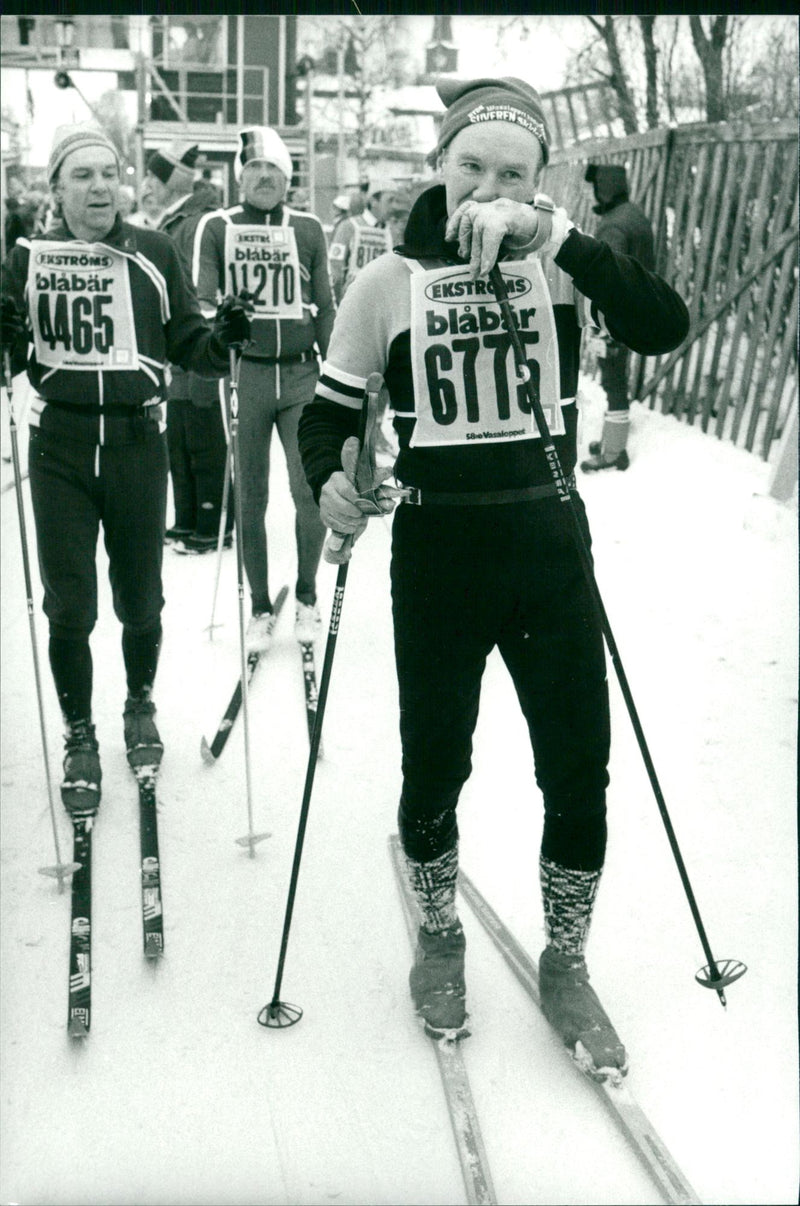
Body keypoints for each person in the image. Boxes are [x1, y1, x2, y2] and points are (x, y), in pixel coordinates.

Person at [298, 77, 689, 1074]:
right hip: (439, 553)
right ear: (439, 165)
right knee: (436, 766)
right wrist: (328, 484)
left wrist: (558, 240)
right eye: (469, 163)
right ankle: (438, 935)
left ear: (539, 180)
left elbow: (661, 326)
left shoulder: (562, 266)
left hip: (547, 547)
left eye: (512, 171)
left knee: (576, 768)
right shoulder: (384, 281)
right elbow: (329, 417)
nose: (486, 184)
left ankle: (565, 961)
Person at [0, 122, 252, 817]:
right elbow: (12, 353)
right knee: (70, 602)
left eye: (109, 173)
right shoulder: (28, 257)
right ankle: (78, 732)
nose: (101, 186)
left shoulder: (155, 250)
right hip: (61, 448)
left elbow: (190, 344)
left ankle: (139, 702)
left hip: (139, 443)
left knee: (140, 598)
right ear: (56, 189)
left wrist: (223, 335)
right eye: (82, 175)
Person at [193, 126, 335, 648]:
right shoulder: (218, 225)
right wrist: (219, 323)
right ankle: (257, 606)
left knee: (309, 490)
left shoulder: (308, 227)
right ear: (240, 177)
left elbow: (326, 303)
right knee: (251, 496)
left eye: (274, 170)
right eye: (254, 169)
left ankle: (306, 596)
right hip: (248, 370)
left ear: (288, 177)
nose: (264, 178)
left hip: (300, 372)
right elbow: (201, 302)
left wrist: (338, 374)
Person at [145, 142, 232, 555]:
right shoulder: (172, 221)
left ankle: (214, 521)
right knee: (178, 432)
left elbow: (201, 289)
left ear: (172, 180)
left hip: (197, 343)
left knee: (203, 432)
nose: (145, 185)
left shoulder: (198, 221)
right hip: (176, 348)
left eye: (152, 177)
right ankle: (188, 517)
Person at [580, 163, 656, 472]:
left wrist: (602, 327)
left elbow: (608, 280)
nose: (589, 195)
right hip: (636, 309)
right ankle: (612, 437)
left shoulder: (613, 226)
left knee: (612, 382)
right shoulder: (633, 213)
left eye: (593, 188)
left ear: (604, 189)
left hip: (615, 317)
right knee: (616, 378)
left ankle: (613, 453)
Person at [327, 179, 402, 305]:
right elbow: (335, 268)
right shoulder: (348, 227)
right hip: (352, 304)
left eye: (395, 201)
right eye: (389, 200)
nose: (393, 206)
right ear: (374, 201)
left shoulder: (393, 232)